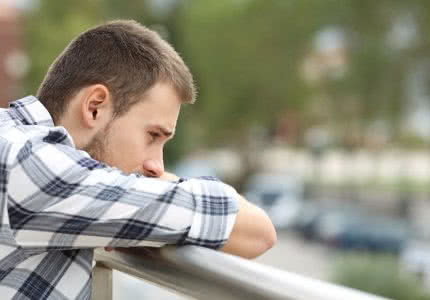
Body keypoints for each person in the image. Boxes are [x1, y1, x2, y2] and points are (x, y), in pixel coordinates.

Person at [0, 20, 276, 299]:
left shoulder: (12, 141)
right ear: (95, 107)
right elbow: (256, 232)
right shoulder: (34, 169)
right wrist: (164, 184)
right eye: (152, 136)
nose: (156, 164)